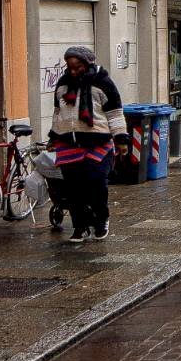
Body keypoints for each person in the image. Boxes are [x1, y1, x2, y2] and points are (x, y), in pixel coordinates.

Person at [50, 46, 124, 241]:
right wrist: (53, 137)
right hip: (68, 143)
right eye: (70, 67)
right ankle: (80, 226)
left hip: (97, 142)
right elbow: (58, 113)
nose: (73, 71)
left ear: (88, 63)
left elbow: (115, 114)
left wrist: (121, 139)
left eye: (78, 66)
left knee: (96, 183)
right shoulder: (63, 84)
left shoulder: (103, 83)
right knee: (73, 189)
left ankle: (101, 219)